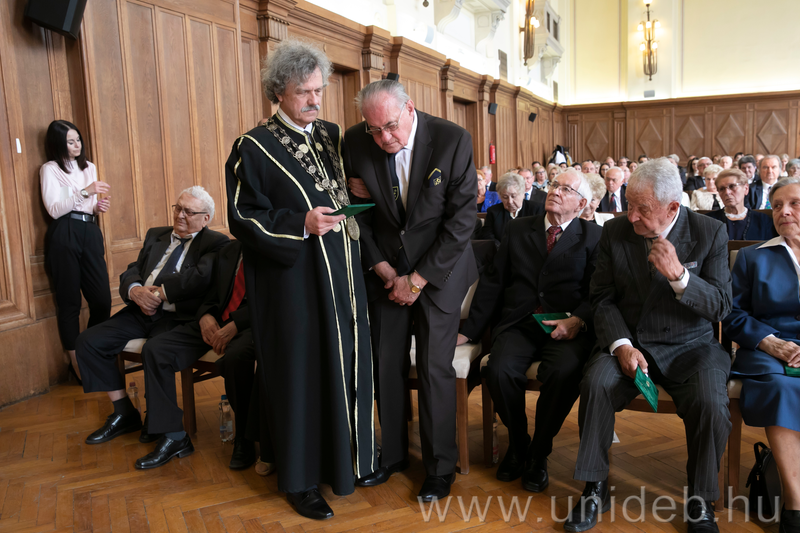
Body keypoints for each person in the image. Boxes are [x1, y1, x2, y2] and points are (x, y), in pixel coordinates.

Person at [225, 39, 376, 520]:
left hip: (343, 278)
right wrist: (300, 224)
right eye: (303, 92)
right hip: (292, 286)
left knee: (341, 368)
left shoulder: (331, 134)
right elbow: (242, 216)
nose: (315, 100)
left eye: (319, 90)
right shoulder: (252, 146)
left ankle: (346, 462)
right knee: (300, 377)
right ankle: (300, 480)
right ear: (278, 92)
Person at [564, 158, 732, 533]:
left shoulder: (709, 232)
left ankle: (701, 500)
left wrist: (681, 276)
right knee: (596, 384)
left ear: (672, 208)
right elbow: (602, 297)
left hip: (692, 347)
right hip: (630, 340)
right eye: (629, 204)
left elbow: (721, 306)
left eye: (642, 209)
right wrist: (621, 345)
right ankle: (594, 488)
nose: (632, 216)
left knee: (710, 402)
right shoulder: (615, 231)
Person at [344, 79, 477, 502]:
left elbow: (461, 222)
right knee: (387, 364)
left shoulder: (452, 140)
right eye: (375, 129)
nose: (385, 138)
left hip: (440, 271)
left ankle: (439, 469)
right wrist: (382, 267)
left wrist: (417, 280)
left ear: (410, 109)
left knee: (435, 369)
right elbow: (357, 215)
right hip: (386, 270)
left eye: (391, 127)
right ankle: (394, 455)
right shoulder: (355, 141)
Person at [458, 169, 600, 492]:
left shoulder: (593, 237)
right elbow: (493, 281)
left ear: (581, 205)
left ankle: (540, 451)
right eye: (554, 185)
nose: (556, 191)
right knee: (497, 370)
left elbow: (598, 292)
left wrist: (578, 320)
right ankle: (519, 441)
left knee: (564, 371)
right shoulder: (519, 228)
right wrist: (471, 331)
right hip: (520, 323)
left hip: (566, 327)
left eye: (566, 189)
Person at [75, 187, 229, 452]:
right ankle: (124, 412)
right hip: (140, 312)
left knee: (155, 352)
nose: (180, 215)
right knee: (88, 342)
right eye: (178, 208)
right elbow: (133, 270)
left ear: (206, 218)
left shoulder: (215, 242)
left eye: (189, 211)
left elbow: (198, 279)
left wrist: (158, 293)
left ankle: (160, 424)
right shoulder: (155, 234)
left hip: (177, 317)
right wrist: (135, 290)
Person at [129, 240, 259, 471]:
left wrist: (237, 324)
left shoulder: (276, 248)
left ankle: (245, 437)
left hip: (252, 325)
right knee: (156, 350)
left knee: (236, 359)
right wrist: (205, 315)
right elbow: (212, 291)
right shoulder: (229, 249)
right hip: (217, 319)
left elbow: (276, 299)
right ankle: (173, 436)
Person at [722, 177, 800, 533]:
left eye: (794, 204)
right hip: (767, 349)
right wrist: (770, 342)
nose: (784, 212)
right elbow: (732, 314)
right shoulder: (753, 257)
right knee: (778, 387)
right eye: (777, 205)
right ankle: (795, 505)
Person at [41, 120, 112, 386]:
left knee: (102, 300)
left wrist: (97, 207)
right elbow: (55, 209)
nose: (76, 145)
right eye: (70, 141)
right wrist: (86, 192)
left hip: (90, 231)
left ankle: (88, 351)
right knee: (69, 301)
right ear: (58, 144)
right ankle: (76, 364)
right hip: (64, 232)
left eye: (78, 140)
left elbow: (87, 206)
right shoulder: (50, 169)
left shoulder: (88, 167)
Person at [705, 168, 775, 241]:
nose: (727, 192)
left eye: (732, 186)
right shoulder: (709, 221)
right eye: (722, 189)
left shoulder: (764, 221)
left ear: (746, 189)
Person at [478, 172, 544, 246]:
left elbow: (539, 237)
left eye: (513, 196)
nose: (510, 201)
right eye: (505, 197)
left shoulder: (536, 209)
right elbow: (488, 236)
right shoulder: (493, 212)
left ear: (523, 194)